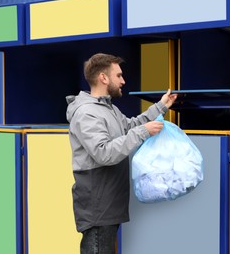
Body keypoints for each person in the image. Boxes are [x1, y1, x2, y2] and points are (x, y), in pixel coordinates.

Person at [65, 53, 177, 254]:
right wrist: (143, 132)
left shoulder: (109, 109)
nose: (123, 81)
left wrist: (160, 106)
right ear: (103, 77)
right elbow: (103, 153)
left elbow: (130, 126)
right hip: (97, 208)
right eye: (119, 75)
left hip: (109, 204)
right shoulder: (86, 113)